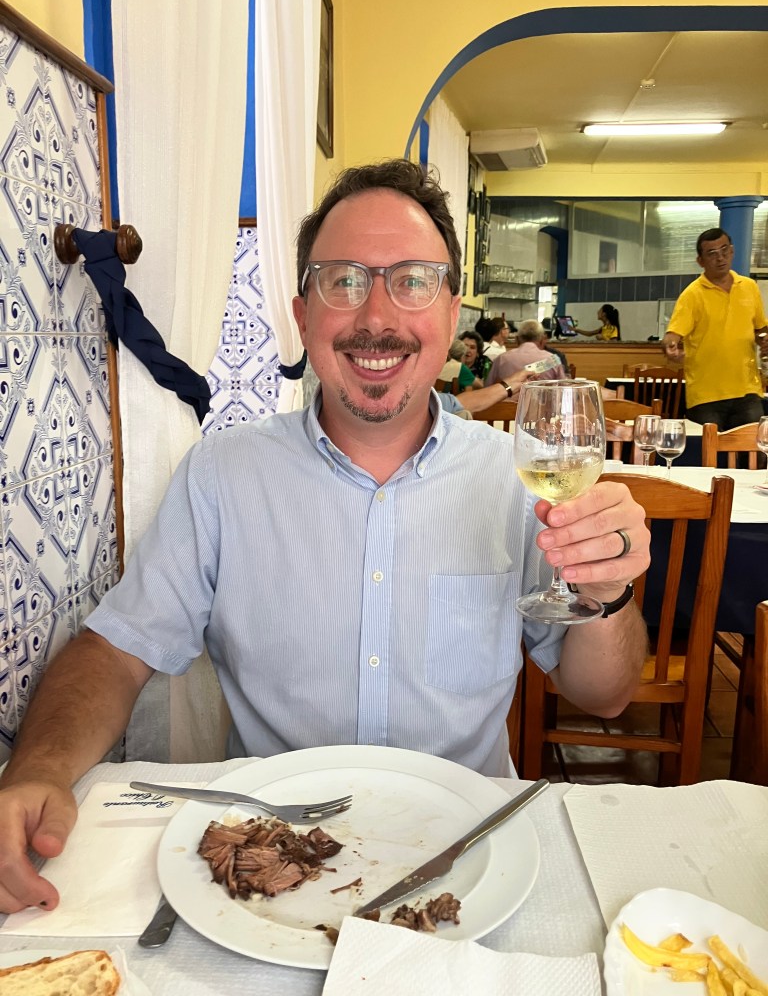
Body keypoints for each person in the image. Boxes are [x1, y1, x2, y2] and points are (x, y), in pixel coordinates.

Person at [0, 158, 649, 915]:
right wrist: (38, 769)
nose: (376, 316)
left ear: (450, 314)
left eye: (412, 280)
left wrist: (608, 594)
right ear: (303, 314)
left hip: (471, 861)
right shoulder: (221, 474)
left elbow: (604, 696)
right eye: (342, 280)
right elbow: (114, 651)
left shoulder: (516, 479)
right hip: (273, 872)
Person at [663, 228, 768, 429]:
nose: (720, 258)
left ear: (732, 251)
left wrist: (764, 340)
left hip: (747, 391)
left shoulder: (749, 287)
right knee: (707, 449)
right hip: (705, 395)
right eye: (712, 254)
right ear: (700, 261)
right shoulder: (692, 294)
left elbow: (760, 329)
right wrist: (670, 346)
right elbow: (672, 335)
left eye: (724, 250)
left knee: (752, 448)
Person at [485, 319, 565, 385]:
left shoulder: (501, 359)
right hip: (542, 400)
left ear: (517, 339)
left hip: (507, 399)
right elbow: (563, 389)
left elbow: (488, 388)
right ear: (541, 340)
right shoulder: (552, 360)